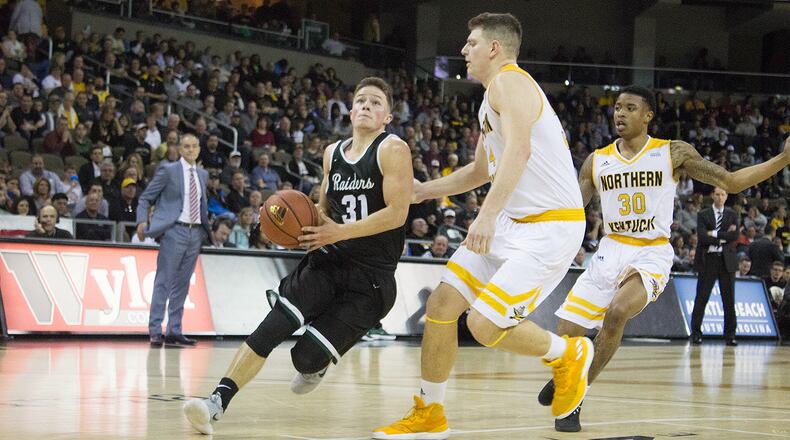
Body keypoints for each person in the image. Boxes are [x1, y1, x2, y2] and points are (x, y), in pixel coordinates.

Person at [374, 14, 591, 439]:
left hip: (550, 228)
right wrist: (422, 191)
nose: (463, 50)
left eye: (471, 43)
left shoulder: (511, 82)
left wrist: (486, 216)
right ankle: (430, 413)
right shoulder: (490, 98)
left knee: (484, 326)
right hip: (514, 221)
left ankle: (568, 353)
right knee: (441, 307)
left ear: (494, 48)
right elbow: (479, 170)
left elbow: (521, 152)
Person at [537, 86, 790, 432]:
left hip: (651, 250)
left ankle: (577, 391)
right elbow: (570, 210)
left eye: (630, 108)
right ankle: (569, 372)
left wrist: (783, 159)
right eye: (617, 108)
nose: (620, 114)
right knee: (565, 334)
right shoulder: (596, 160)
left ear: (648, 116)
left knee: (617, 312)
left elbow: (730, 182)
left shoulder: (671, 153)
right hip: (609, 250)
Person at [183, 77, 413, 435]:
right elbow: (325, 209)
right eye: (361, 100)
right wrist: (301, 225)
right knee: (274, 325)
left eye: (376, 102)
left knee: (303, 357)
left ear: (387, 117)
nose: (367, 106)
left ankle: (316, 363)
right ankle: (215, 402)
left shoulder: (392, 149)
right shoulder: (332, 152)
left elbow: (398, 213)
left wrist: (339, 230)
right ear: (350, 111)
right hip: (329, 259)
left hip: (371, 276)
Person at [136, 134, 211, 347]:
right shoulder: (168, 170)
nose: (190, 150)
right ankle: (154, 330)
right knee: (164, 280)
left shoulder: (203, 174)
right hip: (174, 230)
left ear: (198, 149)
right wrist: (142, 220)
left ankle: (174, 330)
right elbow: (145, 197)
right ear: (179, 149)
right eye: (186, 146)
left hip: (195, 232)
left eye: (194, 146)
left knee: (183, 283)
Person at [690, 187, 740, 346]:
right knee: (701, 298)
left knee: (729, 300)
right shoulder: (703, 214)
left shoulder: (733, 214)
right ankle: (696, 334)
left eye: (723, 194)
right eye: (717, 194)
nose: (720, 197)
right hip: (708, 260)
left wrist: (715, 234)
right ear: (712, 195)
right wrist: (723, 236)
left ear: (726, 196)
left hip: (727, 261)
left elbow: (735, 236)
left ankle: (730, 335)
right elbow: (703, 237)